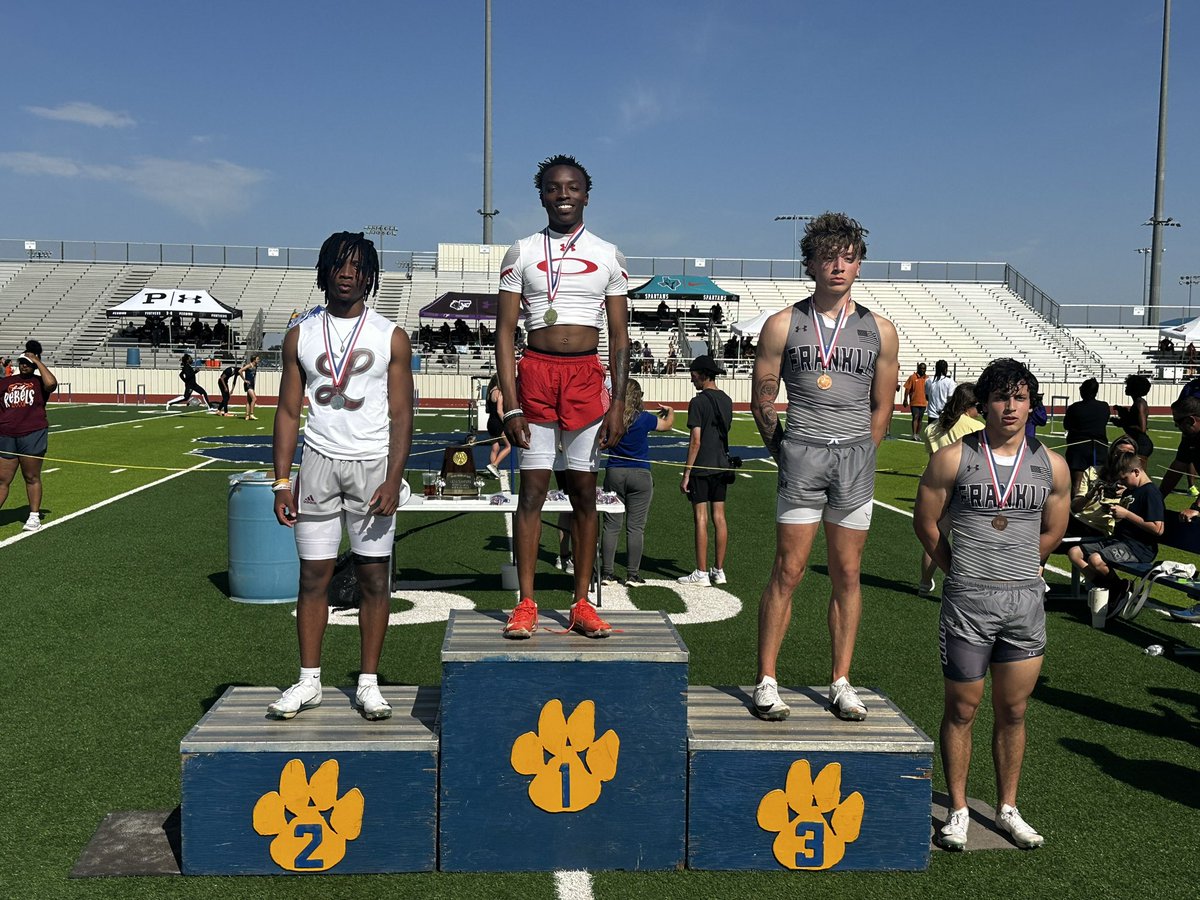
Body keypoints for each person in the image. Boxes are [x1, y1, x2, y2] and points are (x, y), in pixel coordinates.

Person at [914, 358, 1070, 852]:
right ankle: (958, 809)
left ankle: (1007, 808)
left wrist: (1024, 566)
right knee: (963, 708)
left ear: (1032, 404)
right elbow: (926, 521)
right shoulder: (953, 458)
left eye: (1020, 397)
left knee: (1014, 710)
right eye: (1002, 397)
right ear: (984, 404)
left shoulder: (1053, 464)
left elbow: (1053, 530)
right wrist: (956, 567)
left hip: (1025, 604)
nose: (1010, 406)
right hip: (968, 602)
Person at [749, 212, 900, 722]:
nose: (839, 265)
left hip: (854, 456)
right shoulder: (782, 323)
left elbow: (883, 406)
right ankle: (767, 679)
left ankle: (840, 680)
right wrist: (786, 452)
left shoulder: (881, 329)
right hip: (804, 449)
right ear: (810, 263)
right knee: (788, 570)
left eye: (849, 257)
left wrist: (867, 450)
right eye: (828, 256)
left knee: (848, 573)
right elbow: (763, 398)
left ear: (859, 265)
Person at [268, 231, 413, 721]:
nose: (347, 274)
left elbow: (402, 414)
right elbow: (288, 412)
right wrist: (281, 481)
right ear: (325, 271)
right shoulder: (301, 334)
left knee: (374, 577)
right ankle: (309, 680)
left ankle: (368, 683)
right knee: (314, 576)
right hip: (317, 464)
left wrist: (394, 478)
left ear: (369, 275)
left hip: (373, 465)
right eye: (339, 265)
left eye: (357, 267)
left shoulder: (390, 334)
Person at [495, 153, 630, 640]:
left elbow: (619, 337)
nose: (564, 194)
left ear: (587, 194)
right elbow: (505, 333)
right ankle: (526, 602)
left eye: (572, 187)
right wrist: (510, 403)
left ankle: (581, 603)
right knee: (531, 491)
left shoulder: (609, 254)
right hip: (535, 373)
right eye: (554, 188)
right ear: (542, 195)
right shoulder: (521, 252)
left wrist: (618, 402)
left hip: (585, 379)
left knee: (583, 494)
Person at [1066, 447, 1163, 609]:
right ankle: (1116, 587)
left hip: (1139, 547)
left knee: (1095, 560)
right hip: (1120, 540)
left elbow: (1158, 529)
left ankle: (1117, 590)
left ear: (1137, 472)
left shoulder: (1150, 493)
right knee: (1074, 552)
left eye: (1124, 478)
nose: (1122, 483)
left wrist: (1126, 514)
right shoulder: (1132, 490)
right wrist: (1114, 513)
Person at [600, 379, 673, 586]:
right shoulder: (644, 418)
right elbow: (667, 425)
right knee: (635, 527)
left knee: (611, 525)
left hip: (615, 471)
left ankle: (607, 572)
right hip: (640, 474)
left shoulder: (611, 417)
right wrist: (671, 410)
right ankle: (632, 574)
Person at [917, 383, 985, 594]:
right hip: (967, 486)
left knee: (936, 539)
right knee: (971, 540)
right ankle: (968, 583)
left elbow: (932, 462)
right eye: (978, 407)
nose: (979, 412)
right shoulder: (975, 428)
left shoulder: (932, 428)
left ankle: (925, 582)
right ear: (969, 406)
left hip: (938, 488)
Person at [677, 356, 733, 586]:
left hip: (702, 466)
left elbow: (696, 441)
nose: (691, 379)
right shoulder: (727, 400)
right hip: (721, 465)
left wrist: (687, 473)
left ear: (702, 374)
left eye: (693, 374)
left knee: (700, 518)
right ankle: (718, 570)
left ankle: (701, 572)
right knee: (719, 517)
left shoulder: (698, 402)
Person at [0, 341, 58, 531]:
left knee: (31, 476)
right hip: (6, 435)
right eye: (22, 361)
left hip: (32, 434)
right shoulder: (7, 382)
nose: (24, 365)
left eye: (28, 362)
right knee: (2, 479)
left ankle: (34, 517)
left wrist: (38, 362)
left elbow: (52, 384)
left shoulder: (39, 382)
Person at [1062, 378, 1111, 498]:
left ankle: (1074, 513)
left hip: (1078, 448)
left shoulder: (1075, 407)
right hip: (1098, 448)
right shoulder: (1104, 406)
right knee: (1099, 483)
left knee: (1077, 485)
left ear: (1083, 391)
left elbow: (1066, 425)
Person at [484, 374, 511, 479]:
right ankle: (494, 465)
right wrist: (506, 421)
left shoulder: (490, 392)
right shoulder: (499, 392)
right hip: (498, 423)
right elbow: (499, 410)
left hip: (490, 422)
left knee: (495, 448)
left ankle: (493, 472)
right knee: (508, 446)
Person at [1112, 374, 1149, 440]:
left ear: (1134, 388)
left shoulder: (1140, 404)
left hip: (1140, 441)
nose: (1126, 387)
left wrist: (1123, 423)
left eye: (1128, 385)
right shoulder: (1138, 402)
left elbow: (1142, 429)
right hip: (1135, 439)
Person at [903, 362, 929, 439]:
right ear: (918, 368)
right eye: (921, 368)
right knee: (915, 417)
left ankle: (918, 434)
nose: (922, 370)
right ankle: (914, 434)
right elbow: (907, 388)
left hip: (923, 402)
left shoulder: (927, 378)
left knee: (920, 419)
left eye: (924, 368)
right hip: (914, 401)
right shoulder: (912, 377)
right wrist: (905, 399)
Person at [240, 355, 261, 420]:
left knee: (249, 401)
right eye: (257, 359)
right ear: (254, 360)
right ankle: (251, 414)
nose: (258, 360)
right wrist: (244, 380)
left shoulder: (255, 366)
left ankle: (247, 415)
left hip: (252, 384)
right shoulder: (249, 365)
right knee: (254, 399)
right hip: (248, 385)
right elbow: (240, 371)